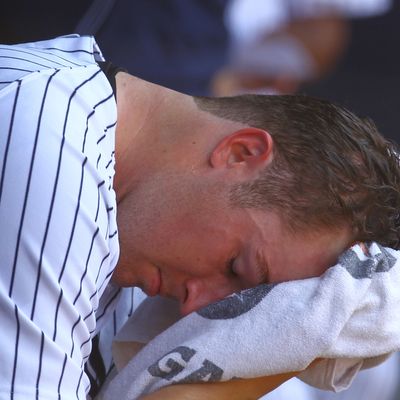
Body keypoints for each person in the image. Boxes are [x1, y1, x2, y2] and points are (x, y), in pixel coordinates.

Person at [1, 34, 399, 400]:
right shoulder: (52, 149)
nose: (197, 306)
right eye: (234, 266)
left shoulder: (127, 217)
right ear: (240, 153)